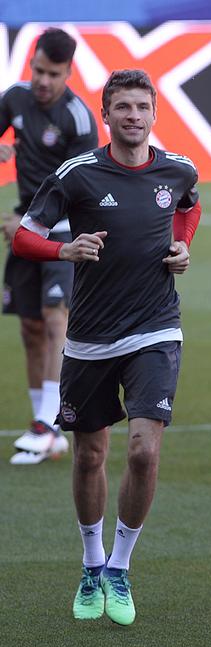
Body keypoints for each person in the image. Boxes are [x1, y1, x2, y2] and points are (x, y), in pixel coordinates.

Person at [12, 69, 201, 627]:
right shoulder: (78, 174)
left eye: (142, 107)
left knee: (143, 451)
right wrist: (64, 250)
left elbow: (188, 206)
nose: (134, 116)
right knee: (90, 455)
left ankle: (120, 565)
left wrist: (182, 245)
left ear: (154, 113)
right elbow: (24, 235)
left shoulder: (178, 169)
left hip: (156, 328)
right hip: (91, 336)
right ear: (106, 115)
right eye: (123, 107)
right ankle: (92, 561)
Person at [0, 27, 97, 464]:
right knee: (30, 326)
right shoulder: (14, 99)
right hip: (25, 225)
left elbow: (83, 189)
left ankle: (48, 424)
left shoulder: (78, 119)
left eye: (52, 74)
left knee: (57, 317)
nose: (42, 80)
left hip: (63, 230)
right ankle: (45, 426)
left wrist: (30, 224)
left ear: (68, 72)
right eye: (37, 70)